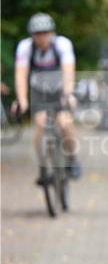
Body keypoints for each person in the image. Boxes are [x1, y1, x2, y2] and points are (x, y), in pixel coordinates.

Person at [13, 13, 80, 182]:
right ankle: (43, 168)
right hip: (39, 90)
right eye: (37, 34)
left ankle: (72, 159)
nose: (41, 37)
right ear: (32, 35)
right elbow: (21, 75)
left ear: (51, 32)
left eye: (45, 32)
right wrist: (22, 100)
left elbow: (68, 71)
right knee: (40, 123)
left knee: (64, 122)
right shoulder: (25, 47)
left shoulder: (62, 45)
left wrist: (69, 93)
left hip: (60, 88)